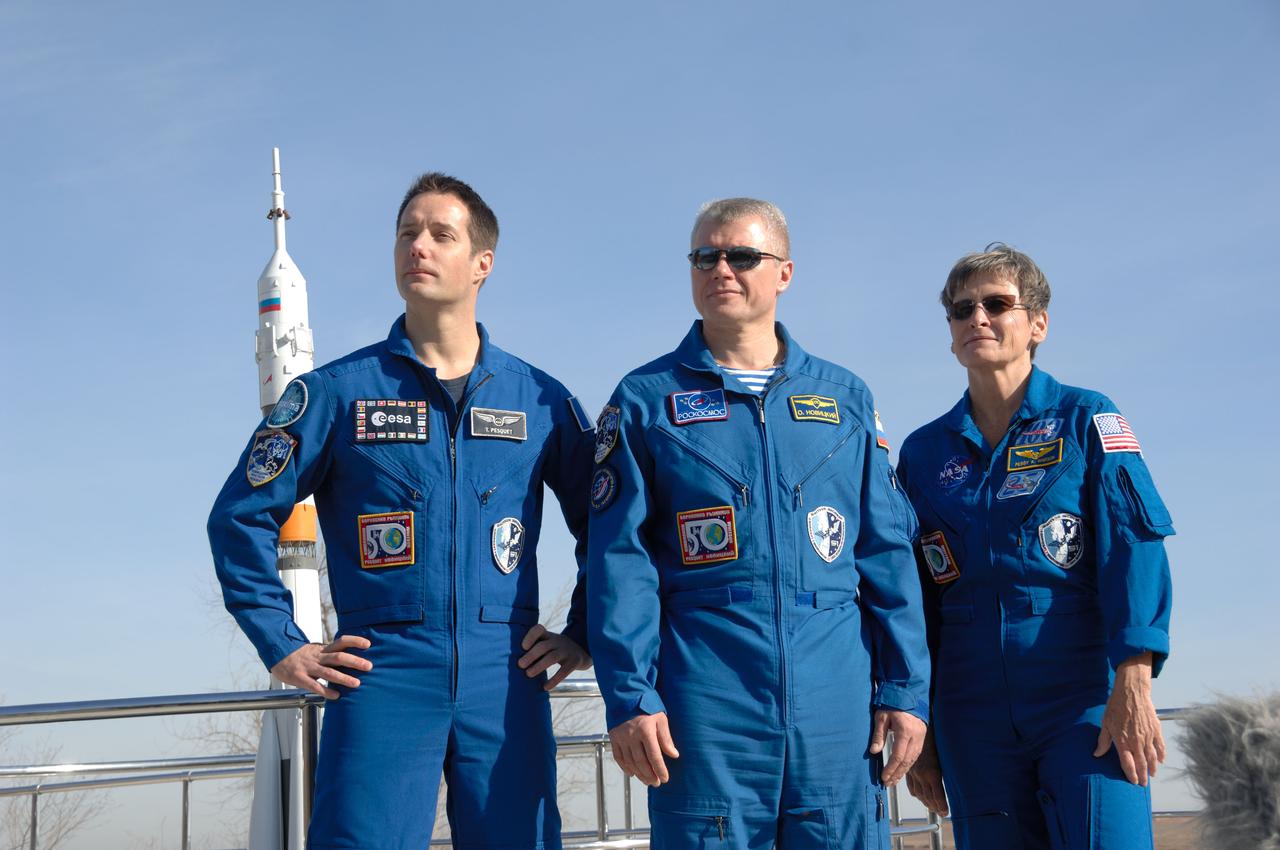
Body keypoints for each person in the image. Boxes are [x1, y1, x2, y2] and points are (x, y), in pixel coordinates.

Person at [208, 173, 594, 850]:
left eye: (441, 234)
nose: (418, 245)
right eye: (407, 231)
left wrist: (584, 630)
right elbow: (239, 515)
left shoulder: (541, 401)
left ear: (482, 264)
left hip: (506, 674)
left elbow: (612, 526)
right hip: (381, 672)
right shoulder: (334, 394)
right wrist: (284, 642)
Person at [587, 198, 930, 849]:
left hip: (835, 701)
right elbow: (619, 562)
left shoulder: (843, 399)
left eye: (741, 255)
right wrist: (630, 695)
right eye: (704, 256)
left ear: (784, 273)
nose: (721, 268)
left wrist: (907, 691)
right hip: (706, 702)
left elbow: (887, 555)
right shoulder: (644, 400)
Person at [897, 244, 1174, 849]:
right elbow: (912, 597)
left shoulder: (1087, 419)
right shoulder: (923, 454)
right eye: (961, 310)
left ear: (1037, 324)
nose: (978, 319)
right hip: (971, 709)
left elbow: (1135, 545)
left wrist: (1135, 679)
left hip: (1081, 697)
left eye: (997, 304)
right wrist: (921, 720)